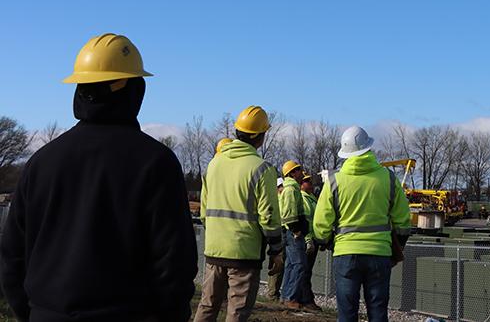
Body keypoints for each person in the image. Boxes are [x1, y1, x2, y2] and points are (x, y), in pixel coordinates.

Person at [0, 33, 197, 321]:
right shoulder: (156, 163)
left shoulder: (41, 162)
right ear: (134, 91)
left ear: (80, 90)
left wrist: (31, 313)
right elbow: (174, 264)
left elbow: (12, 256)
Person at [313, 126, 411, 322]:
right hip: (379, 253)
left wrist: (327, 242)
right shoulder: (388, 179)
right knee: (378, 312)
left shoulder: (334, 181)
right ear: (368, 148)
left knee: (347, 313)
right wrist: (397, 245)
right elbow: (403, 221)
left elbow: (321, 224)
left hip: (345, 254)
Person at [194, 105, 282, 322]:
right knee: (237, 311)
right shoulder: (262, 169)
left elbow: (204, 211)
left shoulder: (214, 164)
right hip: (244, 253)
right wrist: (276, 249)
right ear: (260, 136)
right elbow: (269, 216)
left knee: (207, 305)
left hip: (214, 249)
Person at [279, 160, 309, 310]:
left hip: (290, 231)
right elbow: (290, 213)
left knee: (291, 264)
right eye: (297, 170)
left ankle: (285, 296)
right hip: (292, 232)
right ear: (291, 173)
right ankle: (291, 297)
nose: (300, 172)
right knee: (299, 264)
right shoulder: (291, 189)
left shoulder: (291, 188)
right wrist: (296, 230)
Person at [300, 174, 322, 310]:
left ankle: (305, 299)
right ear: (301, 184)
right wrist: (308, 239)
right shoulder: (303, 199)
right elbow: (306, 221)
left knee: (307, 269)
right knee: (305, 270)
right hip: (308, 239)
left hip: (314, 238)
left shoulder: (312, 198)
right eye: (307, 181)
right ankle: (306, 300)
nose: (310, 183)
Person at [266, 178, 285, 302]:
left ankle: (273, 292)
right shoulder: (277, 200)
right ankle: (272, 293)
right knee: (277, 263)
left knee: (278, 264)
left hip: (277, 233)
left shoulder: (277, 199)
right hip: (277, 234)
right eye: (281, 186)